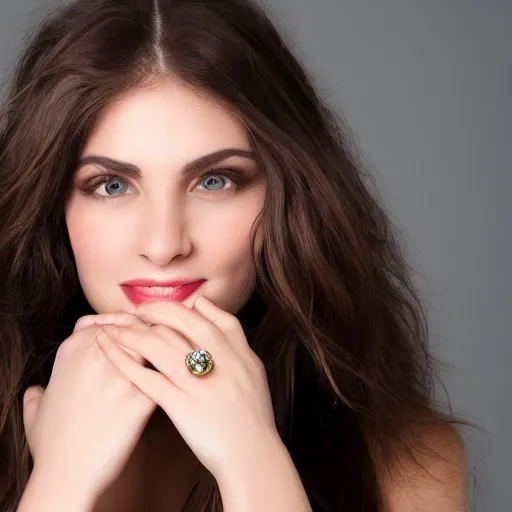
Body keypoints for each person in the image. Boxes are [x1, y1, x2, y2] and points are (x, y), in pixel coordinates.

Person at [0, 0, 470, 510]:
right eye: (111, 185)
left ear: (286, 198)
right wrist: (60, 483)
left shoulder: (403, 461)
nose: (164, 245)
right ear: (52, 203)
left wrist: (255, 464)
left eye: (214, 181)